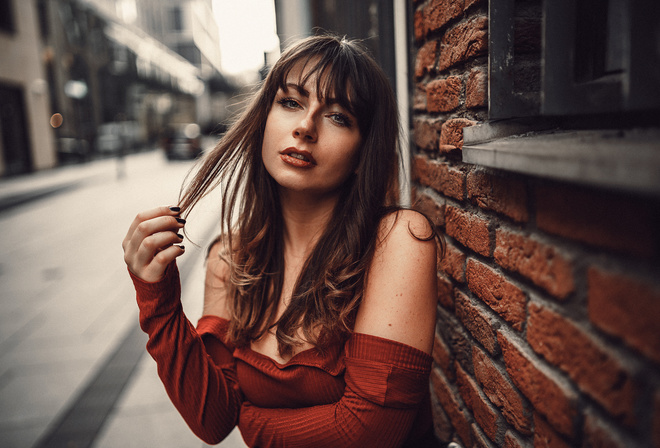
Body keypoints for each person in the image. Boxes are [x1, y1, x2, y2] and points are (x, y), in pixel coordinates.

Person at [122, 34, 442, 447]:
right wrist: (157, 299)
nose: (305, 127)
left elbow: (368, 432)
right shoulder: (230, 259)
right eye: (290, 102)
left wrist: (252, 424)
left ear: (364, 152)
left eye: (338, 116)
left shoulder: (398, 241)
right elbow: (214, 419)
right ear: (264, 118)